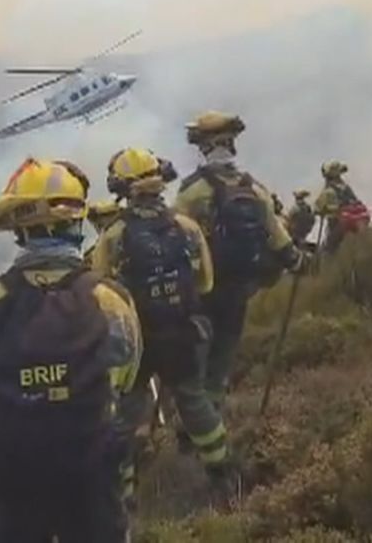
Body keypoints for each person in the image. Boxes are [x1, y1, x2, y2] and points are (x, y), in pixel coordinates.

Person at [0, 158, 142, 543]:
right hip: (89, 474)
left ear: (19, 231)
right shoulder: (110, 299)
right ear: (76, 222)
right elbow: (125, 375)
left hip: (9, 479)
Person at [91, 147, 231, 501]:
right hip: (182, 334)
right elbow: (206, 283)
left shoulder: (113, 235)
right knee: (194, 402)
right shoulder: (186, 227)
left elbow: (99, 294)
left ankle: (123, 496)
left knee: (123, 419)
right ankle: (223, 473)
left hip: (136, 345)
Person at [174, 111, 302, 409]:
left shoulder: (193, 190)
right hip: (241, 288)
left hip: (202, 290)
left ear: (205, 146)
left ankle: (193, 423)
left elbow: (174, 233)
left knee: (196, 359)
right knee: (223, 357)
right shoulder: (255, 188)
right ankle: (215, 411)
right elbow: (278, 237)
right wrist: (297, 262)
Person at [315, 160, 368, 254]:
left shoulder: (328, 191)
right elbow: (355, 201)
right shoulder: (346, 188)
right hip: (353, 225)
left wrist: (323, 210)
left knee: (328, 250)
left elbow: (316, 208)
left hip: (336, 225)